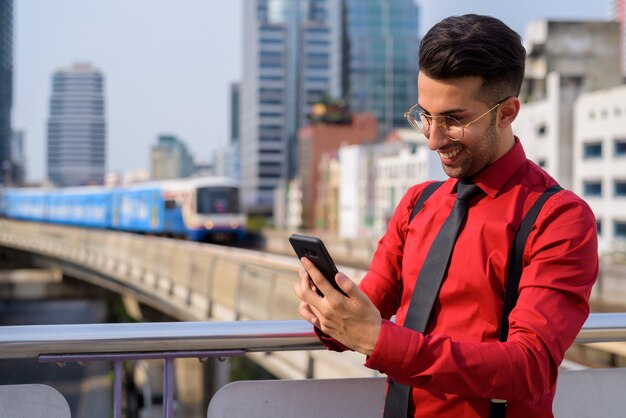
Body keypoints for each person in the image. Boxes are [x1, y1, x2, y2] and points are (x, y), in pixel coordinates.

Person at [293, 14, 598, 418]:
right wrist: (329, 311)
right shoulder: (417, 203)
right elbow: (368, 309)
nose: (434, 140)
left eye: (454, 120)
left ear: (506, 113)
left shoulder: (559, 218)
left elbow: (529, 369)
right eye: (424, 116)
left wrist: (376, 339)